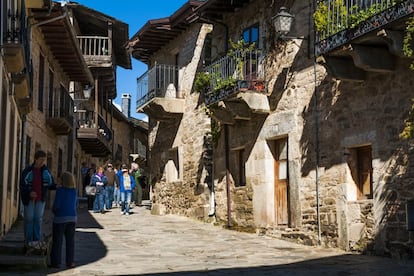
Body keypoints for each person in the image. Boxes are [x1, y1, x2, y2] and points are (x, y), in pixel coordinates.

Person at [20, 150, 55, 247]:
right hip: (29, 199)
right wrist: (29, 192)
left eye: (44, 160)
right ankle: (28, 240)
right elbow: (23, 185)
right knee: (29, 218)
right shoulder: (28, 171)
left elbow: (51, 183)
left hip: (40, 199)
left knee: (38, 219)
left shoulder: (45, 171)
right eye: (40, 160)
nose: (42, 162)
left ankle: (36, 240)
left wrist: (58, 185)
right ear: (35, 159)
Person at [49, 171, 78, 269]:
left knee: (57, 241)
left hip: (60, 218)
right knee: (70, 241)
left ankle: (56, 262)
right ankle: (70, 261)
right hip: (72, 218)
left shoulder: (60, 190)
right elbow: (76, 204)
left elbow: (57, 204)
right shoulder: (74, 191)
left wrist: (54, 211)